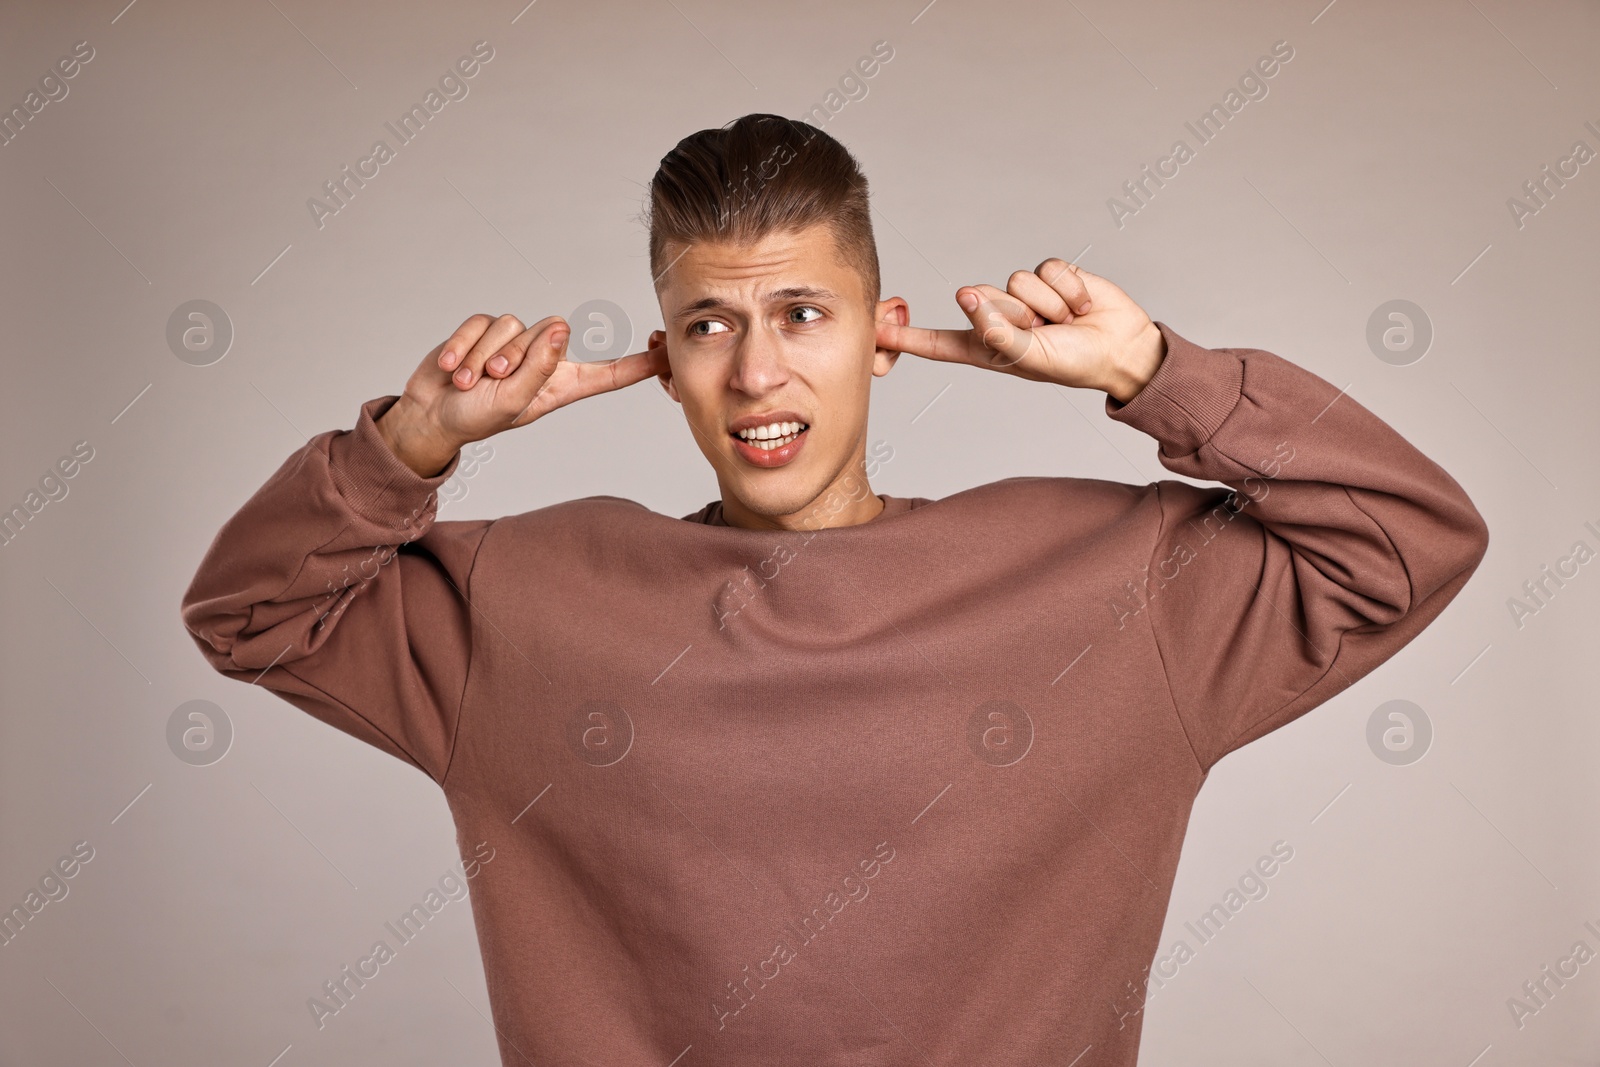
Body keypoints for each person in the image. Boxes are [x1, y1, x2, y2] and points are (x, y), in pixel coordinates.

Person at [180, 113, 1489, 1065]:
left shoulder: (1110, 589)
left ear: (884, 335)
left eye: (803, 314)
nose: (757, 376)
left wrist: (1154, 370)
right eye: (712, 326)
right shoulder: (527, 600)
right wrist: (406, 448)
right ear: (666, 358)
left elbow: (1407, 536)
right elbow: (248, 611)